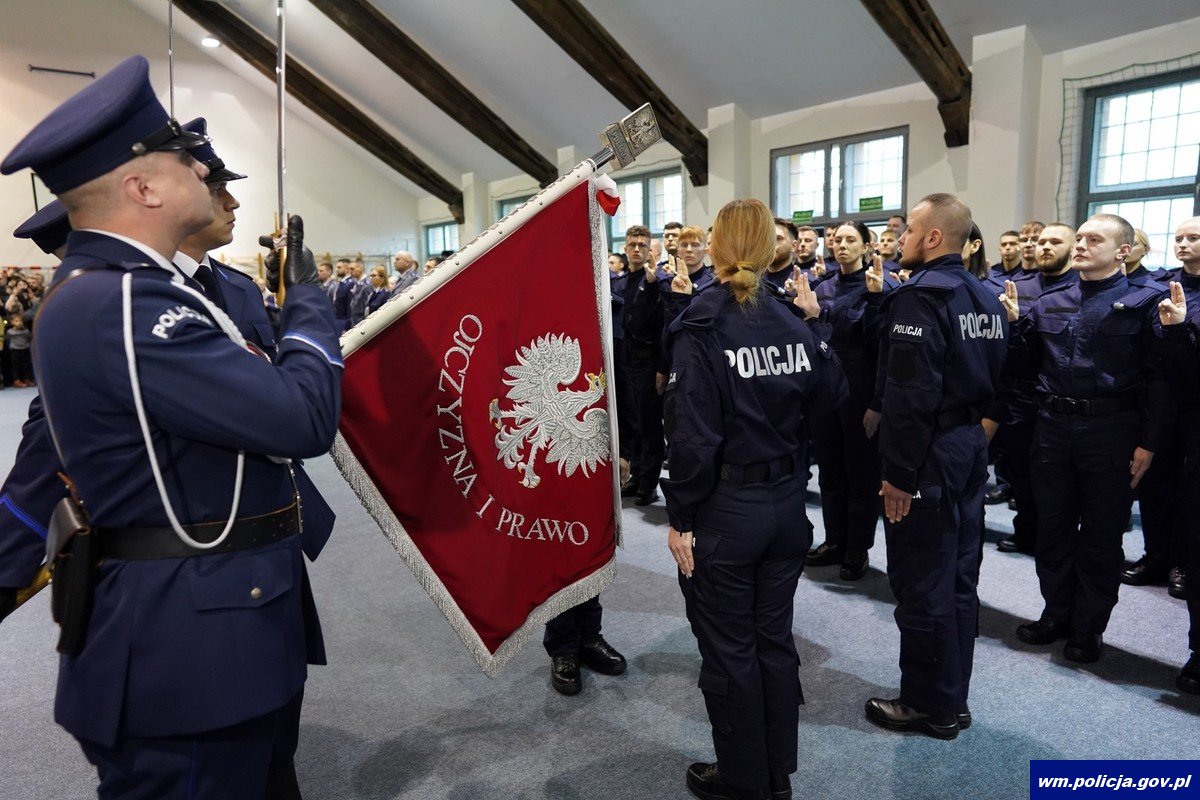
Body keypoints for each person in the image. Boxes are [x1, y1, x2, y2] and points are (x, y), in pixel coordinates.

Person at [0, 55, 343, 798]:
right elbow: (302, 417)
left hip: (223, 620)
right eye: (185, 158)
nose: (204, 169)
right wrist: (309, 302)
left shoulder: (132, 292)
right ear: (144, 187)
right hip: (188, 646)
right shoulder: (124, 304)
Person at [663, 198, 846, 800]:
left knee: (730, 650)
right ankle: (775, 774)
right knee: (773, 641)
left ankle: (744, 781)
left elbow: (692, 438)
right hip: (788, 506)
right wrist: (817, 327)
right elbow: (832, 404)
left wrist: (680, 517)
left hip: (727, 511)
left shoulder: (701, 323)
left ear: (714, 248)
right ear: (771, 250)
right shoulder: (797, 322)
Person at [864, 193, 1006, 740]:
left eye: (908, 231)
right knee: (958, 578)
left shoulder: (920, 297)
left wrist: (899, 475)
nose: (899, 239)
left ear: (932, 237)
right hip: (968, 443)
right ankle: (953, 696)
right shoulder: (986, 295)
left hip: (928, 452)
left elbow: (909, 394)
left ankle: (928, 705)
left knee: (923, 579)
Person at [1002, 213, 1168, 664]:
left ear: (1122, 251)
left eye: (1094, 240)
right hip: (1053, 429)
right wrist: (1015, 327)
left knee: (1101, 535)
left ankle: (1088, 627)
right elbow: (1024, 369)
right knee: (1052, 529)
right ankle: (1056, 613)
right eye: (1079, 238)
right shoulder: (1050, 300)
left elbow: (1159, 380)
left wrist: (1150, 442)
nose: (1080, 245)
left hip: (1111, 431)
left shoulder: (1145, 302)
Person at [806, 220, 898, 580]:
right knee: (830, 471)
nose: (841, 245)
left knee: (861, 474)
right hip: (826, 393)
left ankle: (857, 548)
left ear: (866, 246)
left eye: (850, 240)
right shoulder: (822, 287)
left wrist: (878, 403)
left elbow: (885, 350)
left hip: (861, 394)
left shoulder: (879, 286)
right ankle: (835, 540)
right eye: (837, 240)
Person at [986, 223, 1077, 553]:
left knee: (1059, 480)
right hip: (1021, 396)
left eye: (1055, 242)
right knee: (1022, 474)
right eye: (1041, 242)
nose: (1045, 247)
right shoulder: (1017, 287)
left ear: (1073, 248)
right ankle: (1026, 532)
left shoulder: (1081, 288)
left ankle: (1057, 539)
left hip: (1060, 397)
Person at [1159, 216, 1200, 692]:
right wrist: (1178, 331)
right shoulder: (1170, 293)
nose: (1184, 243)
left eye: (1194, 237)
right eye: (1180, 237)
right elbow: (1181, 379)